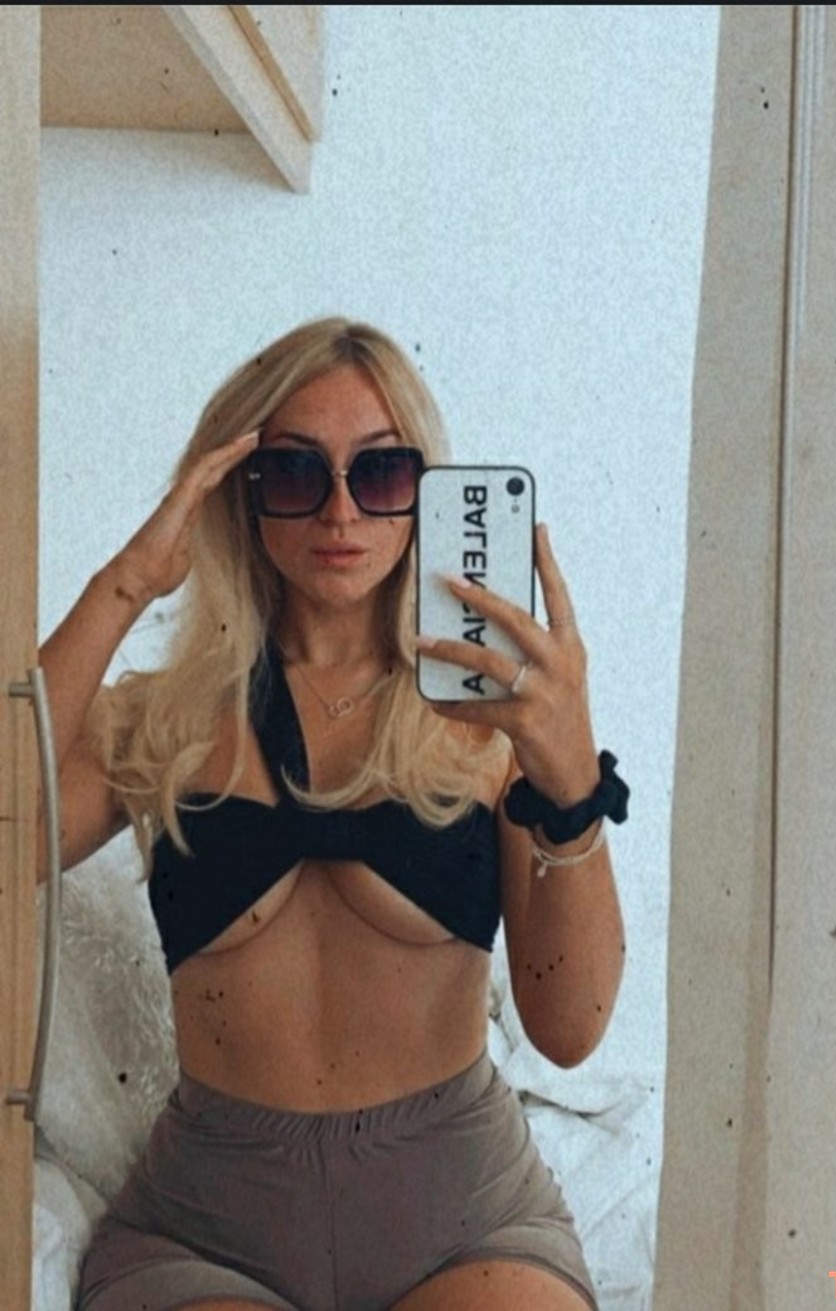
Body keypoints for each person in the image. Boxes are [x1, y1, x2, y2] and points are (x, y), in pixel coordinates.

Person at [45, 318, 627, 1311]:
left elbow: (569, 1031)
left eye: (383, 472)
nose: (341, 511)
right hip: (208, 1231)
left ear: (426, 490)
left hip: (464, 1219)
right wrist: (127, 582)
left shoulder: (491, 723)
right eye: (294, 472)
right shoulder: (163, 722)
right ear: (239, 488)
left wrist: (571, 779)